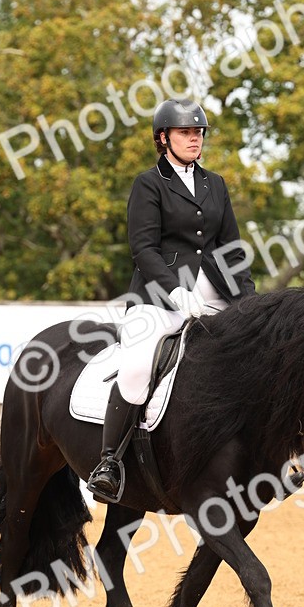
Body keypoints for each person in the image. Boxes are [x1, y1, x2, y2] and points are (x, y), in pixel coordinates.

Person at [86, 97, 256, 503]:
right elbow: (143, 249)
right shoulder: (149, 184)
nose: (194, 139)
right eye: (185, 132)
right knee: (137, 365)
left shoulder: (215, 183)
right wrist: (174, 290)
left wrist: (249, 302)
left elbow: (231, 247)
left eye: (198, 133)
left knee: (256, 355)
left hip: (214, 292)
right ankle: (110, 462)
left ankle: (271, 456)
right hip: (158, 296)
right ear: (163, 138)